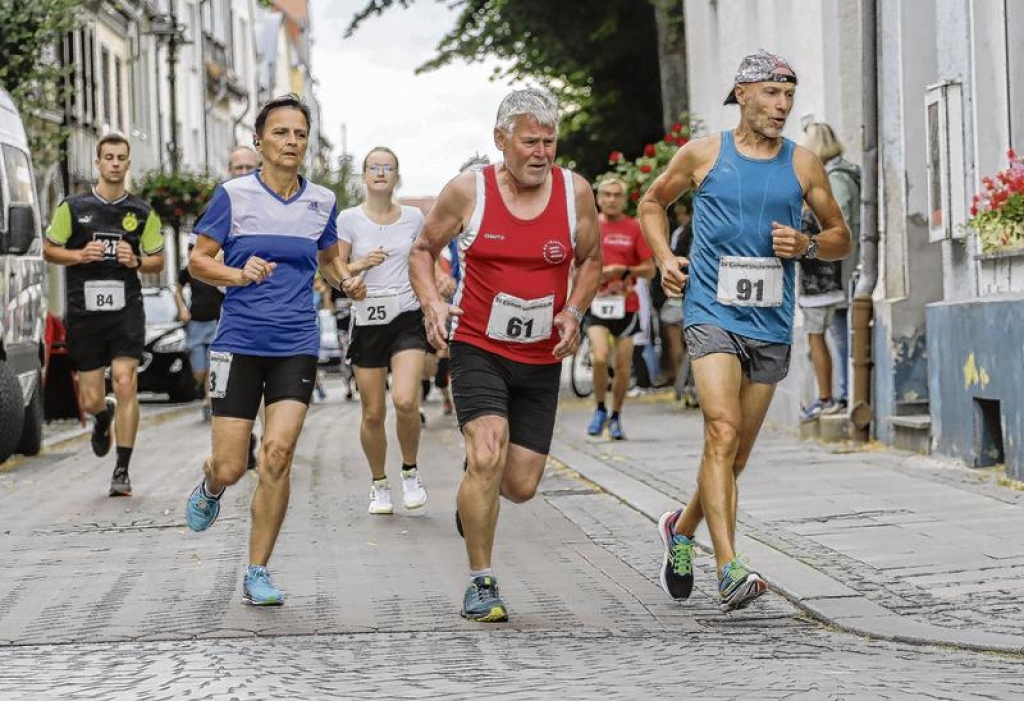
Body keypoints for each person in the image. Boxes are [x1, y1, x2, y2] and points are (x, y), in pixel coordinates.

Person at [637, 50, 851, 612]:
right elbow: (652, 201)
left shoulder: (803, 165)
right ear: (743, 94)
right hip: (710, 312)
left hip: (771, 321)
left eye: (789, 97)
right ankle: (729, 569)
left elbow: (841, 237)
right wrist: (664, 258)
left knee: (733, 458)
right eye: (772, 95)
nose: (782, 107)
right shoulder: (704, 154)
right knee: (721, 430)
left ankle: (679, 531)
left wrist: (805, 245)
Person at [409, 88, 603, 622]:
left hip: (541, 355)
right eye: (530, 142)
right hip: (478, 346)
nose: (542, 152)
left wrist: (575, 312)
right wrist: (431, 304)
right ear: (501, 141)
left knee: (518, 485)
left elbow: (591, 260)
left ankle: (472, 493)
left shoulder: (574, 193)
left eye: (550, 141)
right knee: (489, 452)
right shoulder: (468, 193)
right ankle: (482, 582)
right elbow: (423, 250)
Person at [182, 94, 366, 606]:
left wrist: (347, 280)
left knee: (278, 454)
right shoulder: (233, 195)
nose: (291, 142)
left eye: (300, 134)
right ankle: (212, 486)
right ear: (259, 141)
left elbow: (329, 261)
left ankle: (257, 570)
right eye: (281, 133)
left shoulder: (321, 201)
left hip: (295, 343)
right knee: (230, 465)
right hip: (239, 343)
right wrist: (237, 274)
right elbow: (199, 261)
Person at [44, 132, 165, 497]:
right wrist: (80, 255)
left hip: (126, 310)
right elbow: (50, 250)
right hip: (85, 314)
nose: (114, 163)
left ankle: (122, 470)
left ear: (128, 164)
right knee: (91, 397)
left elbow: (159, 259)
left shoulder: (142, 212)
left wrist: (138, 261)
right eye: (108, 157)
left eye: (121, 158)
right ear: (98, 163)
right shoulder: (72, 207)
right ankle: (101, 417)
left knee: (127, 380)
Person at [336, 146, 429, 515]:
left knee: (406, 401)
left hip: (406, 317)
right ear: (364, 176)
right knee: (373, 412)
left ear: (396, 176)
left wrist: (436, 286)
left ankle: (409, 470)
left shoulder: (414, 218)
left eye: (387, 167)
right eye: (373, 167)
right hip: (368, 320)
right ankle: (379, 482)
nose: (380, 173)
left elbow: (425, 260)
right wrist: (359, 267)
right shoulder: (348, 219)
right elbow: (336, 268)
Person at [585, 176, 655, 439]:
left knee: (624, 366)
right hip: (597, 305)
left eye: (617, 195)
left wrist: (623, 270)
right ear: (598, 198)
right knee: (601, 357)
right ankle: (600, 408)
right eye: (606, 195)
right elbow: (574, 265)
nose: (611, 200)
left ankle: (616, 416)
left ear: (624, 200)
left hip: (627, 306)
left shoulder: (634, 228)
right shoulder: (588, 227)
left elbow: (649, 269)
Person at [802, 122, 860, 411]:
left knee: (838, 337)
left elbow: (839, 225)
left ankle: (843, 394)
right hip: (840, 271)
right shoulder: (844, 173)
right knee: (839, 335)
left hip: (835, 273)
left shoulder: (836, 178)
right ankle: (842, 393)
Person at [796, 207, 844, 420]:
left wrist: (800, 251)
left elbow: (806, 250)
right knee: (824, 340)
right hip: (830, 285)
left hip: (816, 290)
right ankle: (828, 396)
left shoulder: (806, 217)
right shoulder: (826, 213)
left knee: (816, 340)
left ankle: (825, 398)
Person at [652, 196, 693, 392]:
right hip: (692, 295)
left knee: (673, 329)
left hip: (679, 296)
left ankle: (679, 380)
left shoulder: (682, 232)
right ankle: (684, 381)